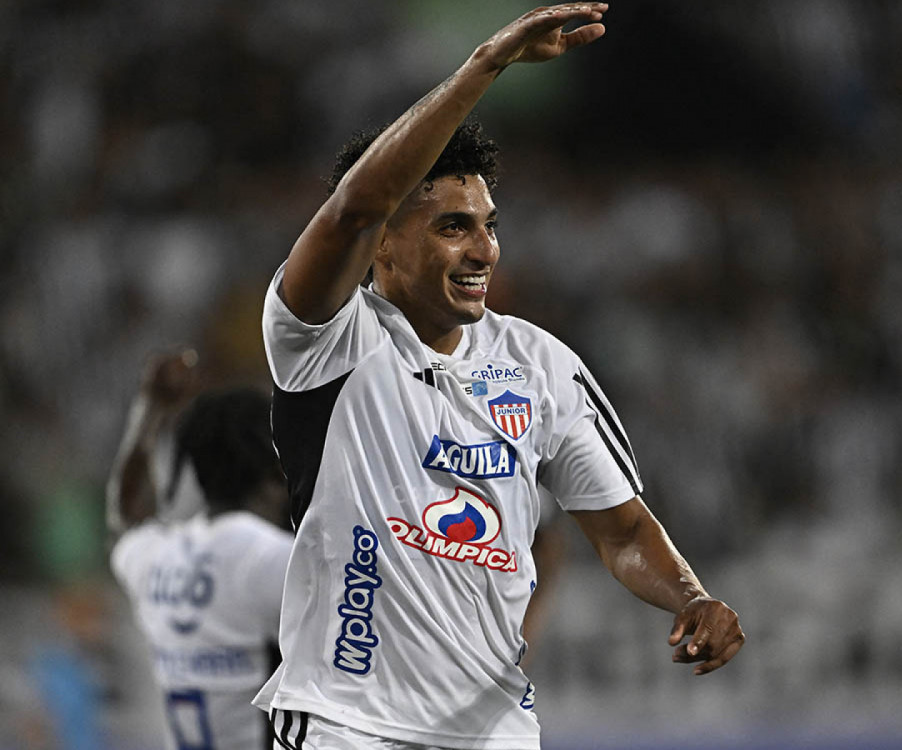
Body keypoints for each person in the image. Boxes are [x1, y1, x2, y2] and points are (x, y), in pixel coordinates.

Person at [254, 3, 745, 747]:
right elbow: (354, 206)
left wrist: (692, 595)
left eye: (490, 224)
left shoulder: (542, 366)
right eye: (454, 226)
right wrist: (484, 67)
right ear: (383, 245)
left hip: (495, 732)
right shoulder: (325, 341)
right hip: (346, 723)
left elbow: (621, 531)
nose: (485, 248)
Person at [108, 351, 294, 750]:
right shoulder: (277, 562)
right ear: (276, 467)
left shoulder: (157, 558)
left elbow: (126, 516)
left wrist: (150, 408)